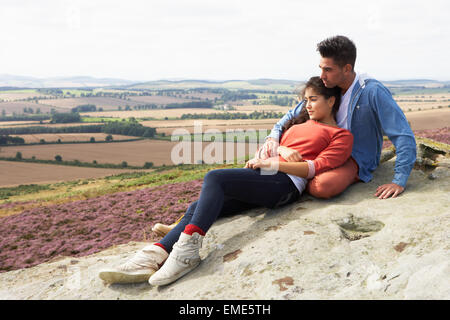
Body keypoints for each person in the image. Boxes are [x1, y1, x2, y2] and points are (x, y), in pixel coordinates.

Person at [150, 35, 417, 238]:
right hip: (315, 155)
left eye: (328, 70)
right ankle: (185, 222)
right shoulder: (325, 89)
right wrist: (273, 143)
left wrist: (399, 180)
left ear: (347, 69)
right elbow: (286, 118)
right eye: (321, 68)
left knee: (320, 187)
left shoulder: (373, 92)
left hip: (353, 156)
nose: (322, 76)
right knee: (246, 183)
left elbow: (402, 134)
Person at [98, 76, 354, 285]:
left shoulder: (341, 135)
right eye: (305, 100)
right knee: (196, 207)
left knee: (215, 178)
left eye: (313, 99)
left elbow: (314, 168)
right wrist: (279, 150)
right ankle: (154, 255)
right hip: (264, 175)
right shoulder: (296, 126)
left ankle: (186, 255)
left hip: (285, 185)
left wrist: (272, 162)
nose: (306, 105)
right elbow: (269, 148)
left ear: (331, 100)